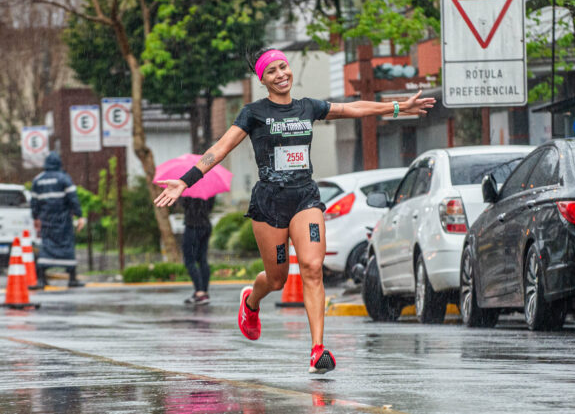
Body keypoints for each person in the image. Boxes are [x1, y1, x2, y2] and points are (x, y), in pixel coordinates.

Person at [154, 48, 435, 374]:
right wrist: (185, 181)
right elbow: (220, 147)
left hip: (305, 198)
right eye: (271, 71)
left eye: (283, 67)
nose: (280, 74)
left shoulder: (307, 107)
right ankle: (251, 301)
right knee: (277, 279)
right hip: (269, 203)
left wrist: (397, 106)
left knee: (313, 268)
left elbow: (351, 108)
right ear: (263, 79)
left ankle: (317, 349)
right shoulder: (253, 113)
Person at [30, 152, 86, 289]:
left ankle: (42, 279)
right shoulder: (64, 178)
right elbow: (73, 199)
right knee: (67, 246)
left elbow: (34, 202)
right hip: (63, 221)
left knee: (46, 247)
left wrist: (35, 217)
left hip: (47, 221)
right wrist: (79, 216)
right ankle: (72, 279)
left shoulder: (38, 180)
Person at [181, 196, 215, 305]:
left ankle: (200, 293)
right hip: (205, 225)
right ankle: (203, 292)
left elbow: (184, 204)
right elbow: (210, 206)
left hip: (192, 226)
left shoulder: (188, 185)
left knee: (189, 261)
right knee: (202, 260)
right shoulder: (208, 187)